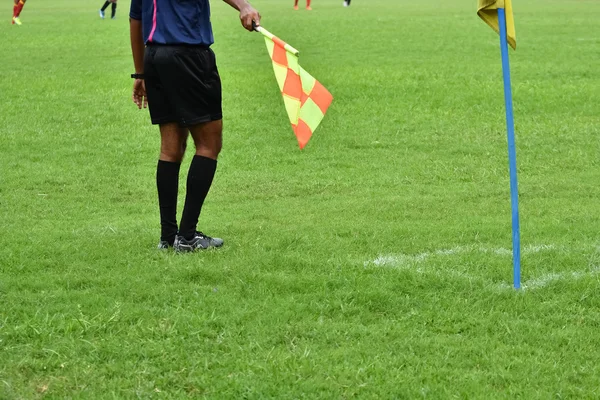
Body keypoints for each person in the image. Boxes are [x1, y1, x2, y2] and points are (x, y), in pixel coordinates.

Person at [129, 0, 260, 252]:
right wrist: (243, 6)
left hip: (154, 58)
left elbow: (136, 19)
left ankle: (168, 237)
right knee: (209, 144)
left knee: (170, 148)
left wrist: (140, 72)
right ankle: (187, 237)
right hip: (188, 55)